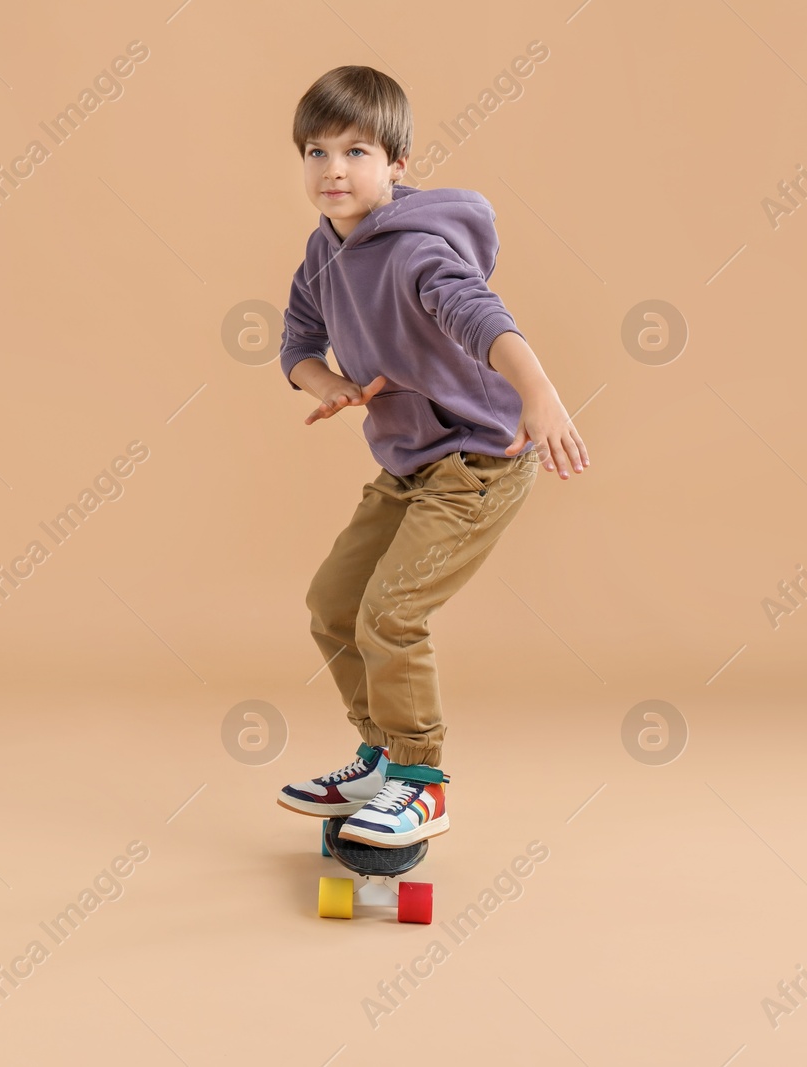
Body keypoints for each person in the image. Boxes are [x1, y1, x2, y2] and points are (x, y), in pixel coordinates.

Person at [273, 66, 588, 848]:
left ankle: (420, 782)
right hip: (410, 464)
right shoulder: (322, 254)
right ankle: (380, 755)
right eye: (316, 152)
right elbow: (296, 345)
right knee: (334, 606)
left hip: (480, 462)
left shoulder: (418, 252)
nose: (334, 170)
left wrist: (540, 392)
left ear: (398, 164)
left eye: (356, 151)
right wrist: (335, 384)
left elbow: (483, 318)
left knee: (392, 612)